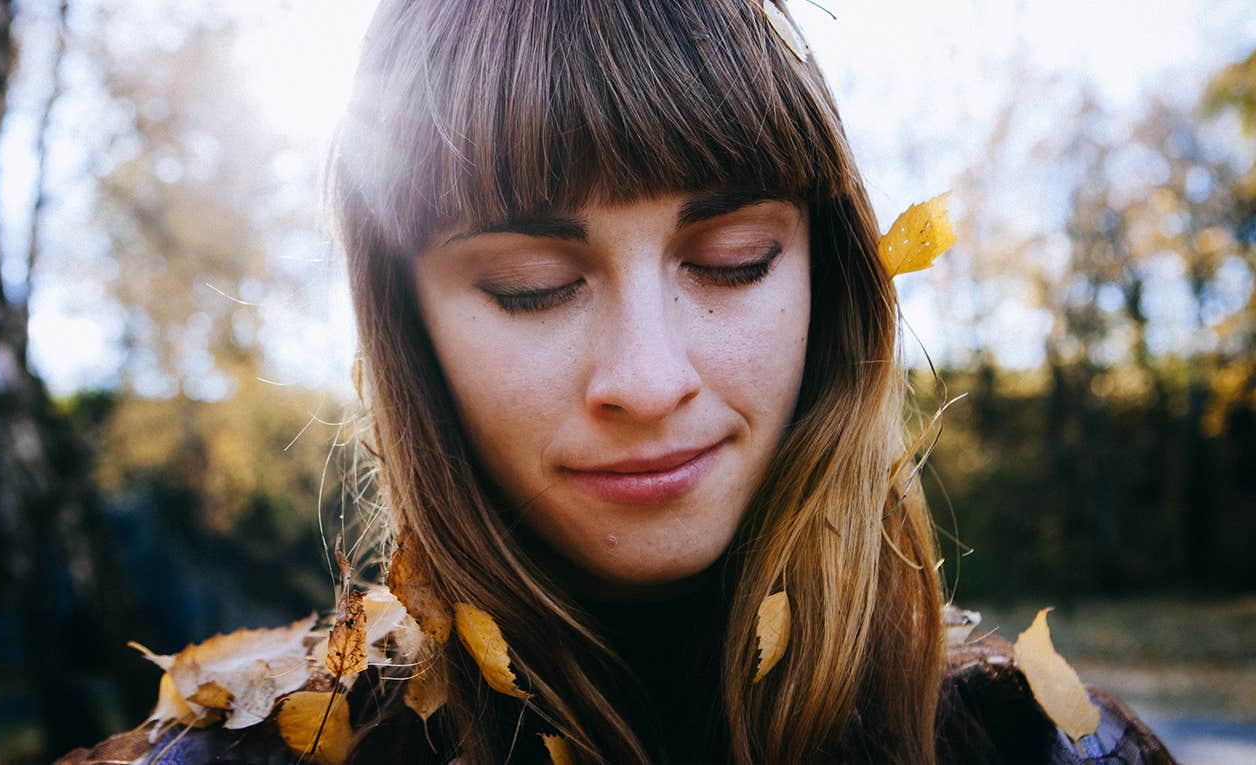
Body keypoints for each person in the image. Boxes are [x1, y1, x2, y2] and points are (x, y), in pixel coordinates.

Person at [60, 1, 1175, 763]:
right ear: (409, 332)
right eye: (532, 283)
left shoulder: (1052, 749)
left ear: (826, 285)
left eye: (731, 262)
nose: (647, 379)